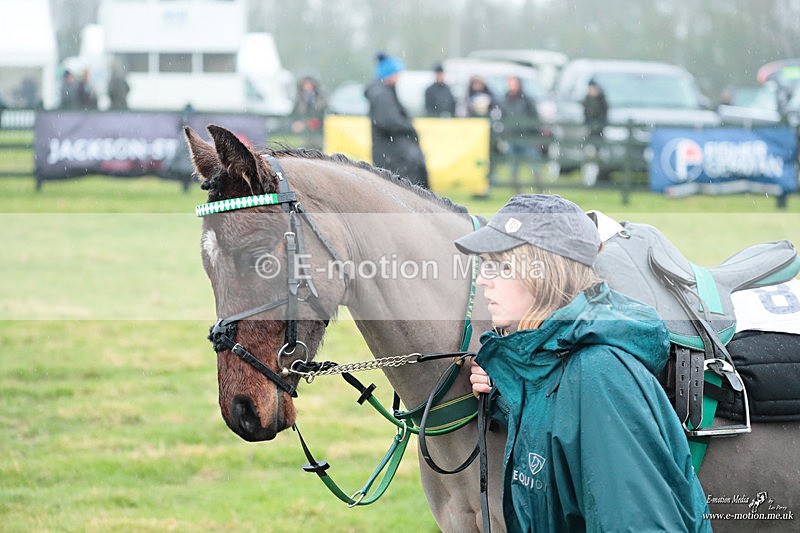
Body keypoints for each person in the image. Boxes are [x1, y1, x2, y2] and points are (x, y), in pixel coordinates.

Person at [454, 194, 711, 532]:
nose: (482, 280)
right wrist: (507, 387)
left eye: (500, 267)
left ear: (543, 274)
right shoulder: (553, 363)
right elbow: (559, 427)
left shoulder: (600, 377)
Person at [364, 52, 429, 188]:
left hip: (391, 152)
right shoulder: (382, 94)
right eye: (397, 73)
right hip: (393, 154)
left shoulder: (383, 91)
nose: (399, 77)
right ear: (389, 74)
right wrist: (408, 126)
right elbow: (388, 121)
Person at [500, 76, 541, 189]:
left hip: (526, 137)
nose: (511, 86)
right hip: (512, 137)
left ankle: (540, 189)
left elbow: (535, 118)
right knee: (513, 167)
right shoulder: (505, 100)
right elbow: (502, 118)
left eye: (513, 83)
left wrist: (535, 134)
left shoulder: (526, 100)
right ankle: (517, 191)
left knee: (534, 165)